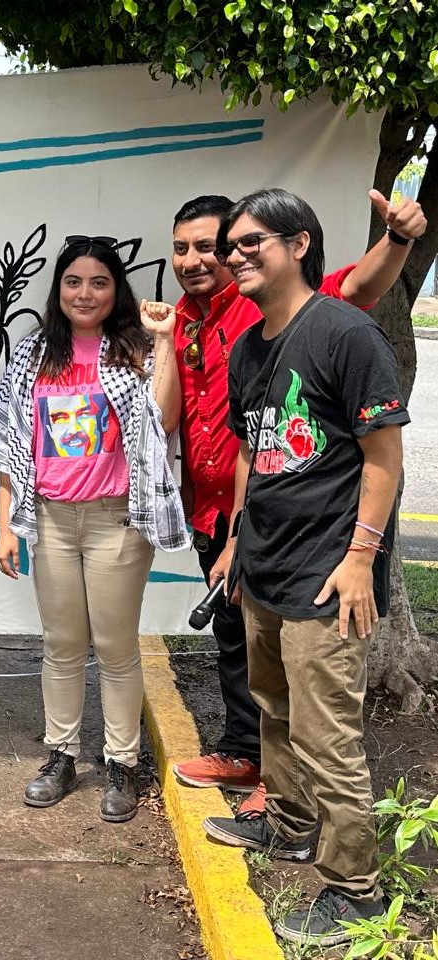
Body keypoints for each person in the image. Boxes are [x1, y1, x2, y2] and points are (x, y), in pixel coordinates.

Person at [144, 189, 424, 816]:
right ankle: (251, 763)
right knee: (241, 648)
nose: (196, 260)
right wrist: (234, 536)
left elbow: (358, 287)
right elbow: (191, 427)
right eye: (183, 249)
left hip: (310, 536)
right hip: (225, 515)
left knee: (310, 684)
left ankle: (310, 817)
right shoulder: (185, 321)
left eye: (212, 246)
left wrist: (399, 238)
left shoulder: (279, 307)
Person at [200, 188, 407, 947]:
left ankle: (354, 890)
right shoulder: (248, 348)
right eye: (231, 245)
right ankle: (287, 824)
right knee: (274, 707)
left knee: (327, 737)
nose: (236, 255)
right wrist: (235, 540)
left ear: (299, 244)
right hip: (264, 566)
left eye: (252, 240)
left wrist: (360, 558)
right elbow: (251, 451)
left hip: (328, 573)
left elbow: (383, 457)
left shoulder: (344, 333)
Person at [0, 236, 188, 823]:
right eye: (73, 282)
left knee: (116, 647)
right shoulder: (33, 354)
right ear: (59, 289)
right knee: (62, 644)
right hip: (50, 517)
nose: (85, 293)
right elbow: (11, 442)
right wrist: (6, 524)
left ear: (115, 290)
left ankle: (122, 763)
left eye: (99, 282)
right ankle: (62, 754)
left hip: (115, 519)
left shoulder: (134, 349)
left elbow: (164, 420)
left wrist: (165, 341)